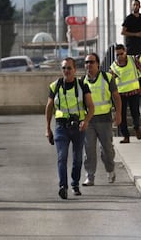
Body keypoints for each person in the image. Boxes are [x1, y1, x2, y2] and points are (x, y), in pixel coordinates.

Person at [45, 57, 95, 199]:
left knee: (77, 158)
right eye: (64, 68)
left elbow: (91, 107)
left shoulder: (82, 85)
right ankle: (63, 186)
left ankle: (75, 184)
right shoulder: (55, 86)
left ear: (75, 70)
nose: (66, 71)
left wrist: (85, 121)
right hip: (61, 126)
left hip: (78, 127)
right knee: (62, 157)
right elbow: (49, 108)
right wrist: (47, 128)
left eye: (69, 68)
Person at [82, 53, 122, 186]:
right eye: (87, 62)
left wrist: (118, 113)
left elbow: (116, 97)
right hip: (89, 121)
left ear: (98, 64)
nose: (89, 65)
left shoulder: (107, 78)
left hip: (104, 120)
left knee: (107, 150)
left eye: (92, 62)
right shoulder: (82, 81)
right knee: (89, 150)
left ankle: (110, 170)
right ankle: (90, 176)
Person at [110, 44, 141, 144]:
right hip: (121, 94)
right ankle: (125, 136)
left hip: (134, 92)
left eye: (121, 53)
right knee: (121, 115)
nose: (119, 56)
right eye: (117, 55)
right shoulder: (113, 67)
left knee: (135, 112)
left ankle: (137, 127)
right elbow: (111, 81)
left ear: (125, 51)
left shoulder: (133, 60)